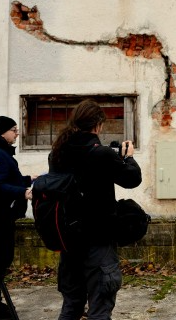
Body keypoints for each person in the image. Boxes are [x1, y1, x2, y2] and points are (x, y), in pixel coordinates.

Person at [48, 100, 141, 320]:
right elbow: (132, 179)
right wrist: (128, 157)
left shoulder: (58, 153)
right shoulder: (101, 154)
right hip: (98, 240)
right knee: (99, 308)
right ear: (98, 125)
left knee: (71, 305)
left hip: (69, 240)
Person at [0, 116, 34, 320]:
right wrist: (22, 192)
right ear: (3, 132)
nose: (17, 133)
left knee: (0, 258)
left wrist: (28, 179)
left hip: (1, 212)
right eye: (14, 130)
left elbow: (5, 178)